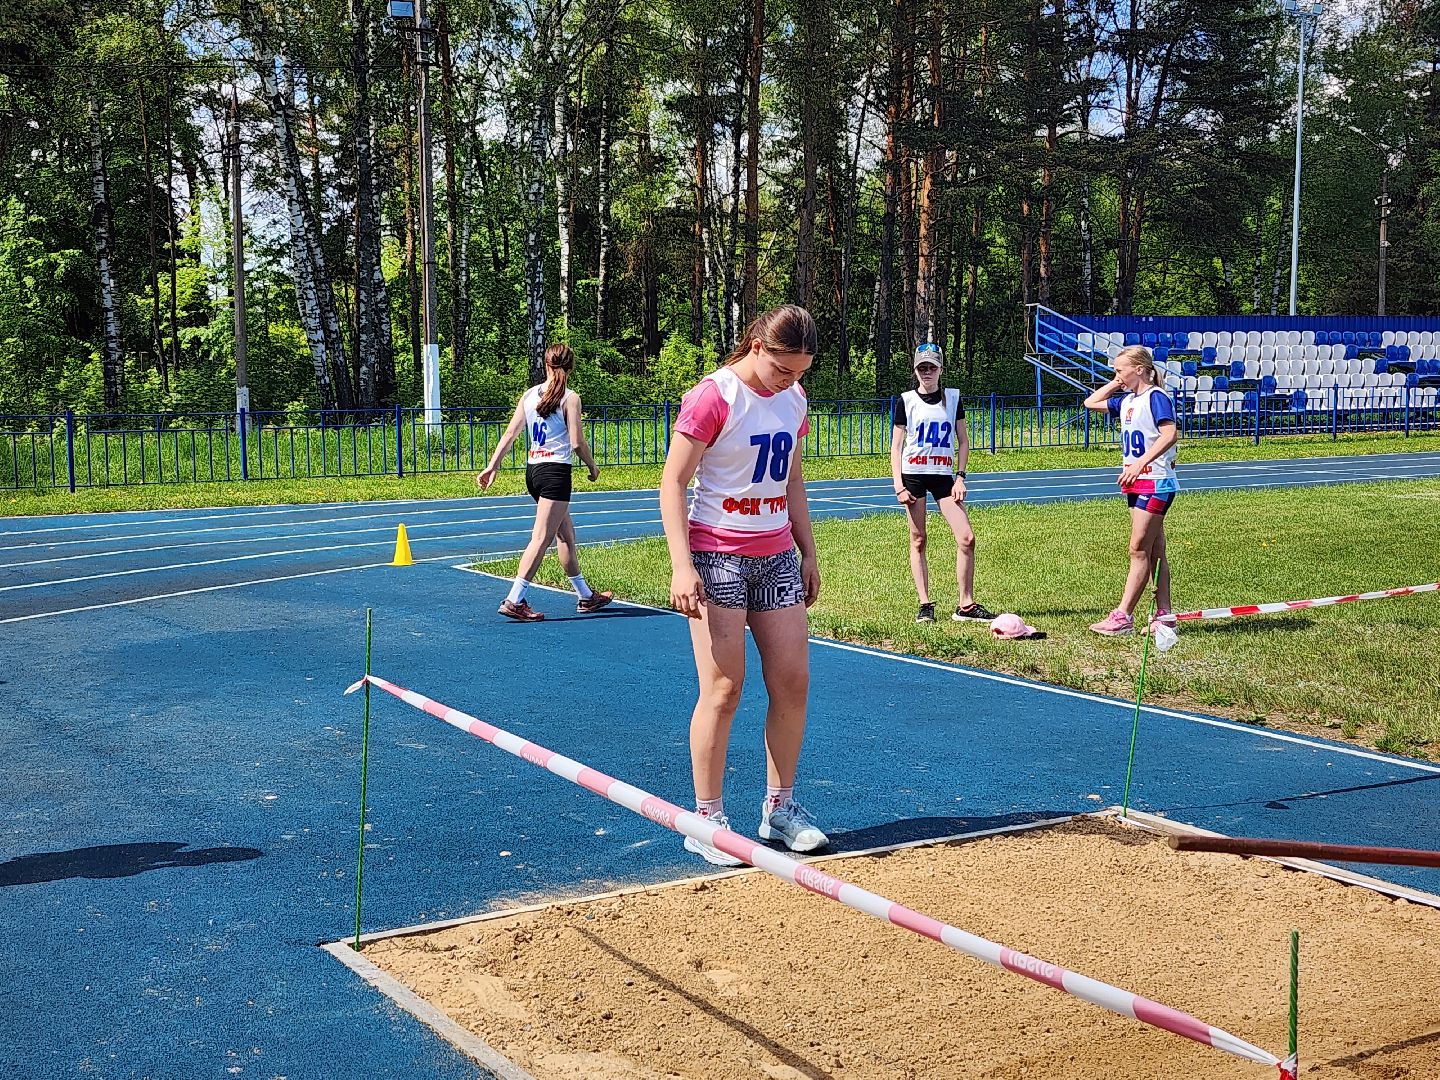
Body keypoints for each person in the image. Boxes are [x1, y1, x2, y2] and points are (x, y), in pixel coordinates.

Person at [659, 304, 827, 866]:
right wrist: (682, 566)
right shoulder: (714, 396)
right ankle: (707, 819)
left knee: (793, 682)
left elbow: (793, 479)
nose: (791, 380)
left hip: (775, 552)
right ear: (757, 346)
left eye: (801, 371)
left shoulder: (796, 399)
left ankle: (780, 808)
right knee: (724, 688)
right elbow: (673, 481)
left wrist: (807, 551)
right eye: (784, 369)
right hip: (716, 553)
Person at [477, 343, 613, 622]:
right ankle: (514, 599)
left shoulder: (529, 395)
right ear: (570, 367)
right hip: (555, 474)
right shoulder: (570, 398)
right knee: (541, 538)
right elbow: (576, 442)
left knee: (566, 535)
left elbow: (511, 433)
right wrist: (592, 465)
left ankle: (586, 596)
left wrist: (493, 465)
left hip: (534, 472)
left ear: (546, 364)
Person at [890, 343, 997, 625]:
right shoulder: (906, 400)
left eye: (932, 367)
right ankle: (925, 604)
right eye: (922, 367)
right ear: (915, 370)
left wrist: (961, 476)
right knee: (919, 539)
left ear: (940, 370)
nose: (927, 372)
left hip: (942, 476)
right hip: (913, 474)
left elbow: (963, 441)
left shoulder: (952, 398)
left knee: (966, 537)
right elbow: (896, 447)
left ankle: (966, 604)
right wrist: (899, 485)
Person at [1082, 344, 1179, 636]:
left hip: (1156, 481)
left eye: (1120, 369)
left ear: (1139, 369)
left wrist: (1140, 463)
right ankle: (1165, 614)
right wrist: (1116, 381)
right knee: (1154, 550)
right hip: (1135, 483)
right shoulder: (1127, 401)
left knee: (1138, 549)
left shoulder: (1156, 397)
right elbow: (1090, 402)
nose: (1116, 374)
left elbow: (1170, 433)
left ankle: (1123, 615)